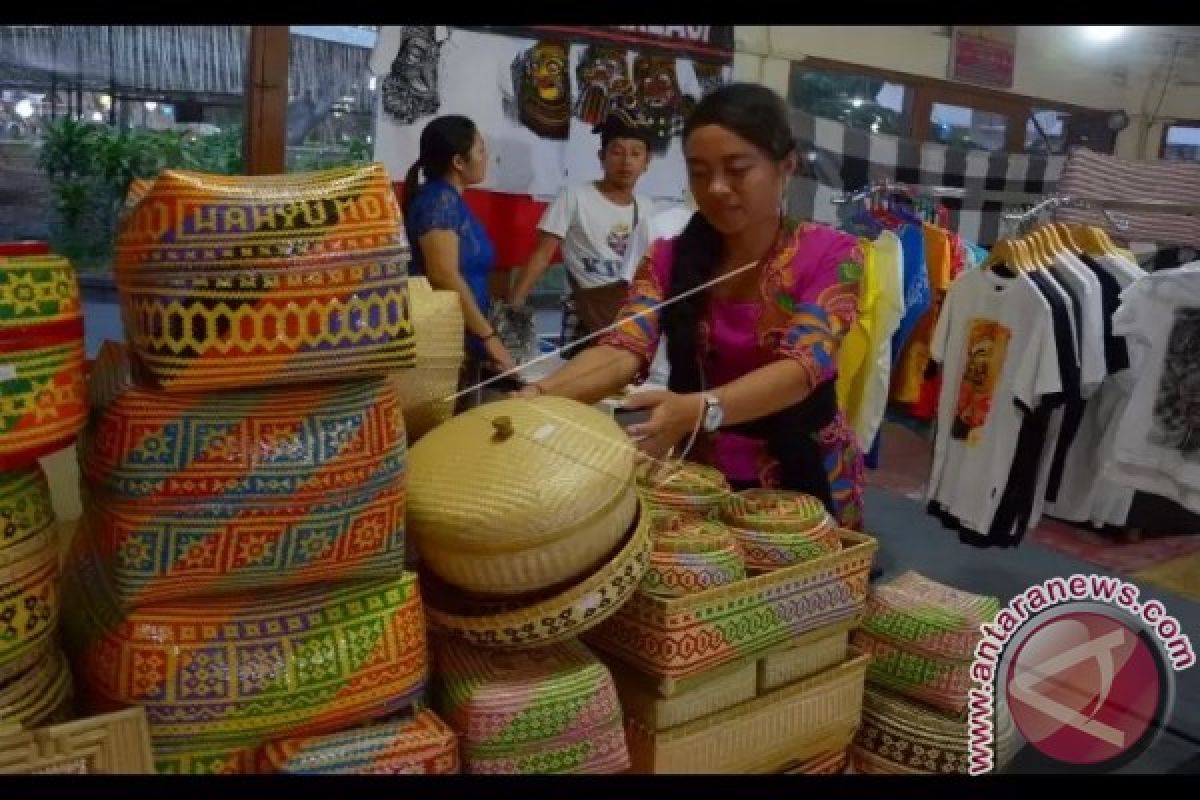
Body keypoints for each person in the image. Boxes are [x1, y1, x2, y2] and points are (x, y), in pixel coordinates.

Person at [516, 83, 866, 530]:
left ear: (786, 167)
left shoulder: (834, 254)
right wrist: (539, 397)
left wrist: (701, 409)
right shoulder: (667, 256)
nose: (716, 189)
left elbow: (802, 368)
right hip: (700, 470)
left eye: (737, 169)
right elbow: (623, 347)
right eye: (699, 172)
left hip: (808, 467)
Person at [508, 109, 653, 345]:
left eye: (636, 154)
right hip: (584, 318)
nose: (626, 162)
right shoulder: (574, 196)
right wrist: (512, 309)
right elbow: (541, 256)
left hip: (630, 321)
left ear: (646, 162)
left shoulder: (648, 209)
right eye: (617, 152)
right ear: (601, 156)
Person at [403, 114, 515, 392]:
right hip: (440, 339)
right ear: (458, 162)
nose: (486, 156)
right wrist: (488, 337)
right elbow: (443, 276)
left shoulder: (449, 200)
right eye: (480, 150)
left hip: (464, 337)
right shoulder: (439, 200)